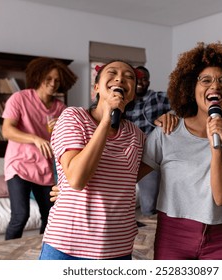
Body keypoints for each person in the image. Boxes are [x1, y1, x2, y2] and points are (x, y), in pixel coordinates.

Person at [140, 42, 222, 260]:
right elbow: (128, 176)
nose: (216, 86)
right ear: (190, 88)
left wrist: (217, 147)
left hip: (219, 237)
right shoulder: (167, 132)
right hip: (172, 235)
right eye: (206, 80)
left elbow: (220, 197)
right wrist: (74, 191)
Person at [39, 60, 146, 260]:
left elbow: (126, 182)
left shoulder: (137, 135)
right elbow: (77, 180)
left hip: (117, 248)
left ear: (133, 92)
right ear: (96, 87)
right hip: (67, 245)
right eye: (112, 72)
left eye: (129, 76)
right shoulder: (73, 117)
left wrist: (167, 121)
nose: (120, 78)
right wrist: (106, 120)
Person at [2, 57, 77, 240]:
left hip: (44, 169)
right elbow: (7, 130)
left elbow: (65, 141)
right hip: (19, 165)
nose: (53, 84)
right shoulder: (19, 98)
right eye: (48, 78)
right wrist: (34, 138)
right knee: (20, 216)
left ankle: (44, 254)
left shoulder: (61, 109)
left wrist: (61, 129)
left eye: (57, 80)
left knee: (50, 216)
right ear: (39, 76)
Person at [125, 66, 172, 216]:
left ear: (149, 82)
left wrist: (172, 117)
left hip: (149, 159)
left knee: (149, 207)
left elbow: (184, 103)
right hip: (127, 158)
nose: (141, 82)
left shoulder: (157, 98)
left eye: (144, 79)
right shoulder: (124, 101)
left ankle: (151, 236)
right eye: (137, 78)